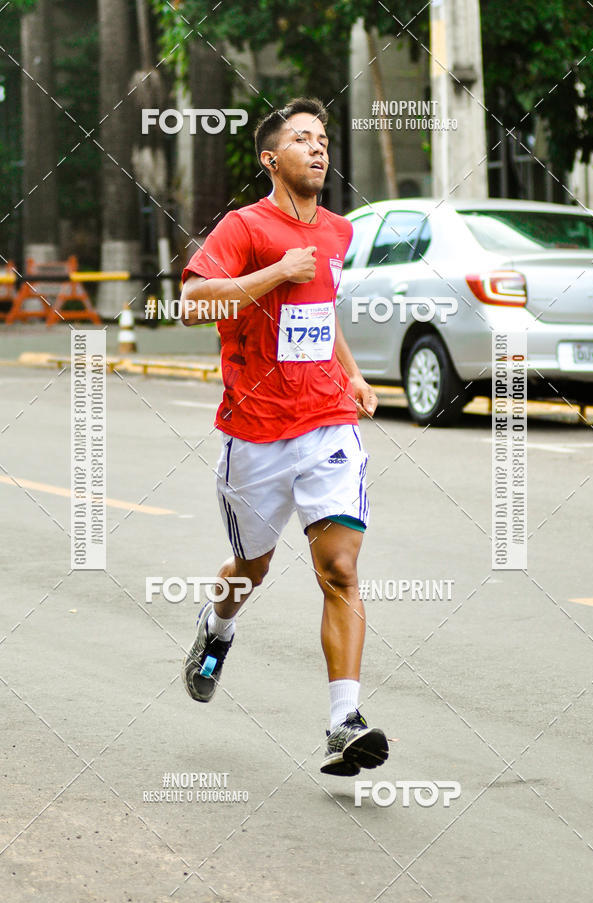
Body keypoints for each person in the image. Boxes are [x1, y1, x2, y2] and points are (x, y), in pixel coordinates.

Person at [179, 97, 388, 776]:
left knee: (341, 569)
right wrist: (276, 272)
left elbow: (320, 313)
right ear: (272, 160)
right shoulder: (244, 226)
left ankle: (342, 721)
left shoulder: (337, 233)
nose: (318, 148)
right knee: (253, 570)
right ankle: (219, 628)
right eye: (302, 139)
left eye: (323, 138)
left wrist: (351, 375)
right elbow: (192, 303)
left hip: (327, 421)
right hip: (255, 434)